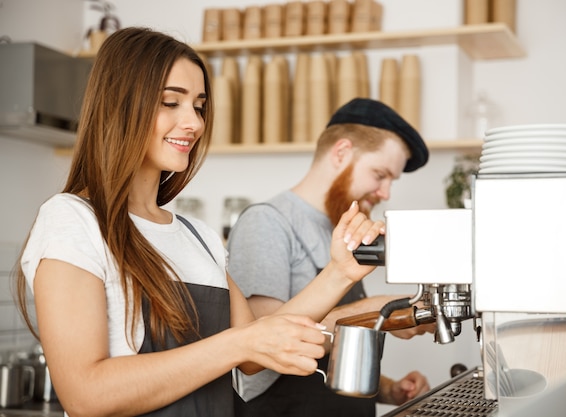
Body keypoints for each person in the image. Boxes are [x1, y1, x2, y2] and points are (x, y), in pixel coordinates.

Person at [13, 28, 386, 417]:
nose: (192, 122)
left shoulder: (198, 236)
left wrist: (340, 272)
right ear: (119, 106)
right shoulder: (72, 220)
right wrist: (239, 345)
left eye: (199, 106)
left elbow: (257, 349)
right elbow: (85, 394)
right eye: (171, 102)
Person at [227, 97, 433, 417]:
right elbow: (259, 353)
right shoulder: (267, 223)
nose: (386, 193)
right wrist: (377, 310)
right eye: (380, 174)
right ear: (341, 152)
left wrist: (389, 389)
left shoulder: (340, 227)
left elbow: (333, 357)